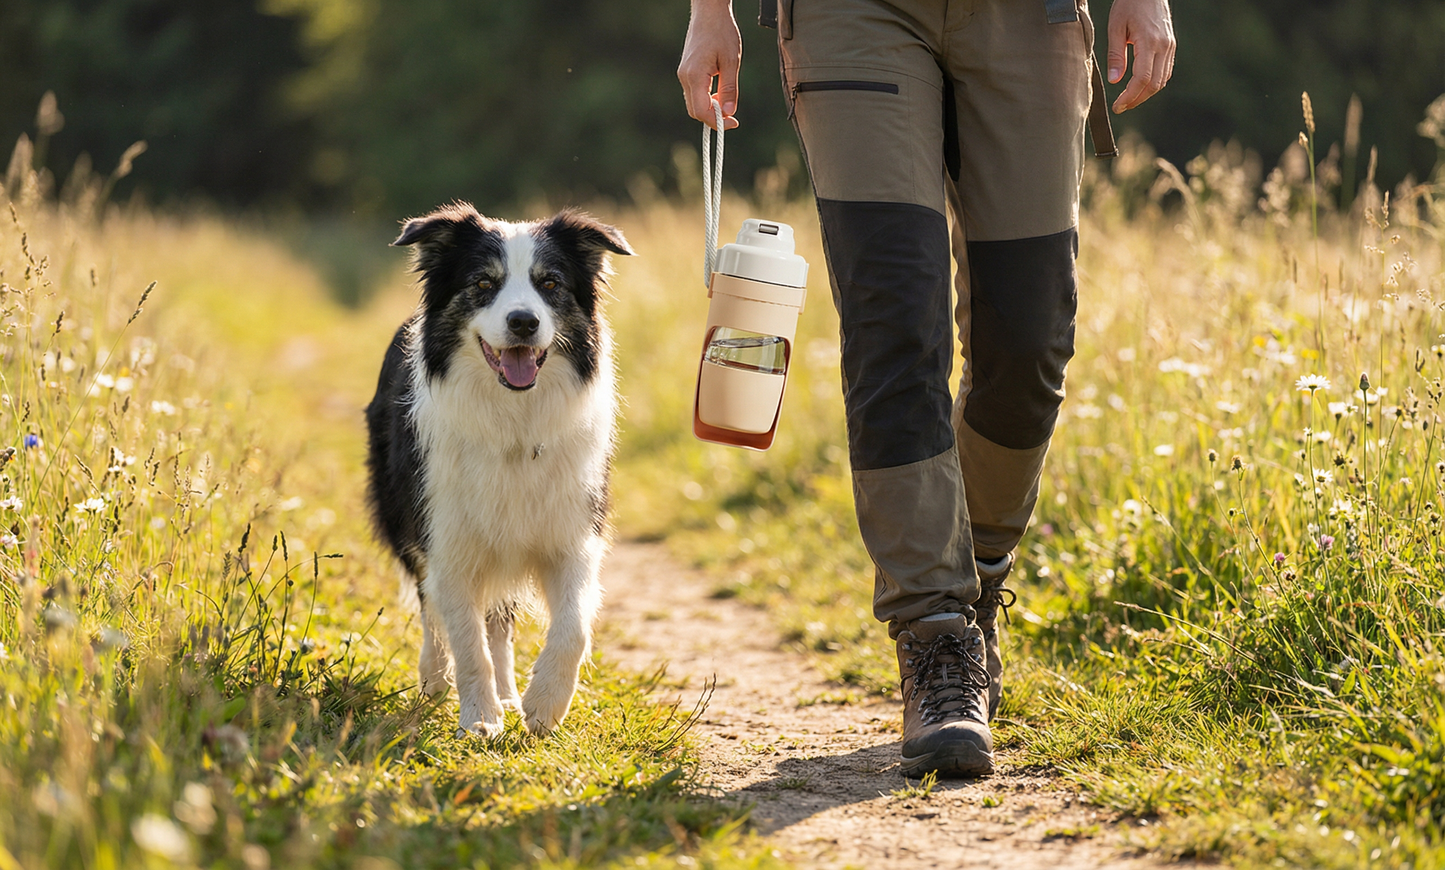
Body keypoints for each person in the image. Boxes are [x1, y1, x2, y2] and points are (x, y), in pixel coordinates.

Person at [678, 0, 1175, 777]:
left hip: (1029, 21)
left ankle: (974, 582)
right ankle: (935, 636)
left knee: (1029, 339)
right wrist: (712, 12)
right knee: (893, 327)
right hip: (853, 18)